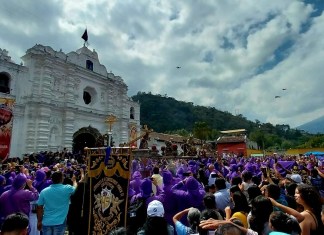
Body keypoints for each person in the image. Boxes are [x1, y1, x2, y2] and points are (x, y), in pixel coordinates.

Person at [36, 171, 77, 235]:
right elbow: (75, 188)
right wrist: (74, 181)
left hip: (46, 222)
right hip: (60, 222)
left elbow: (39, 207)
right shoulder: (67, 188)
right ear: (62, 179)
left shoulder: (44, 191)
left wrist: (39, 221)